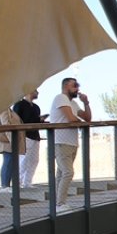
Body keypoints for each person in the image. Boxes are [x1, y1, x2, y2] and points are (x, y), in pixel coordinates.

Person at [48, 77, 91, 206]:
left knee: (61, 173)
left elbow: (87, 118)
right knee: (68, 172)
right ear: (66, 86)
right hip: (61, 142)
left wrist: (86, 103)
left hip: (71, 142)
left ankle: (57, 203)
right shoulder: (61, 98)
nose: (77, 89)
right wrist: (80, 122)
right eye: (75, 86)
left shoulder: (73, 103)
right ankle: (60, 204)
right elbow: (71, 119)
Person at [0, 106, 26, 190]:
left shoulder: (8, 111)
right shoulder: (4, 111)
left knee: (11, 162)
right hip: (8, 142)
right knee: (8, 161)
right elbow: (7, 126)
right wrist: (14, 142)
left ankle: (9, 185)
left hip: (10, 141)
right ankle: (5, 185)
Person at [13, 89, 43, 188]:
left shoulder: (36, 107)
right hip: (25, 136)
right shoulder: (19, 105)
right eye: (35, 90)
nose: (37, 93)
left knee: (34, 160)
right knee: (24, 159)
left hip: (35, 136)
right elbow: (16, 120)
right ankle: (18, 182)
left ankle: (27, 182)